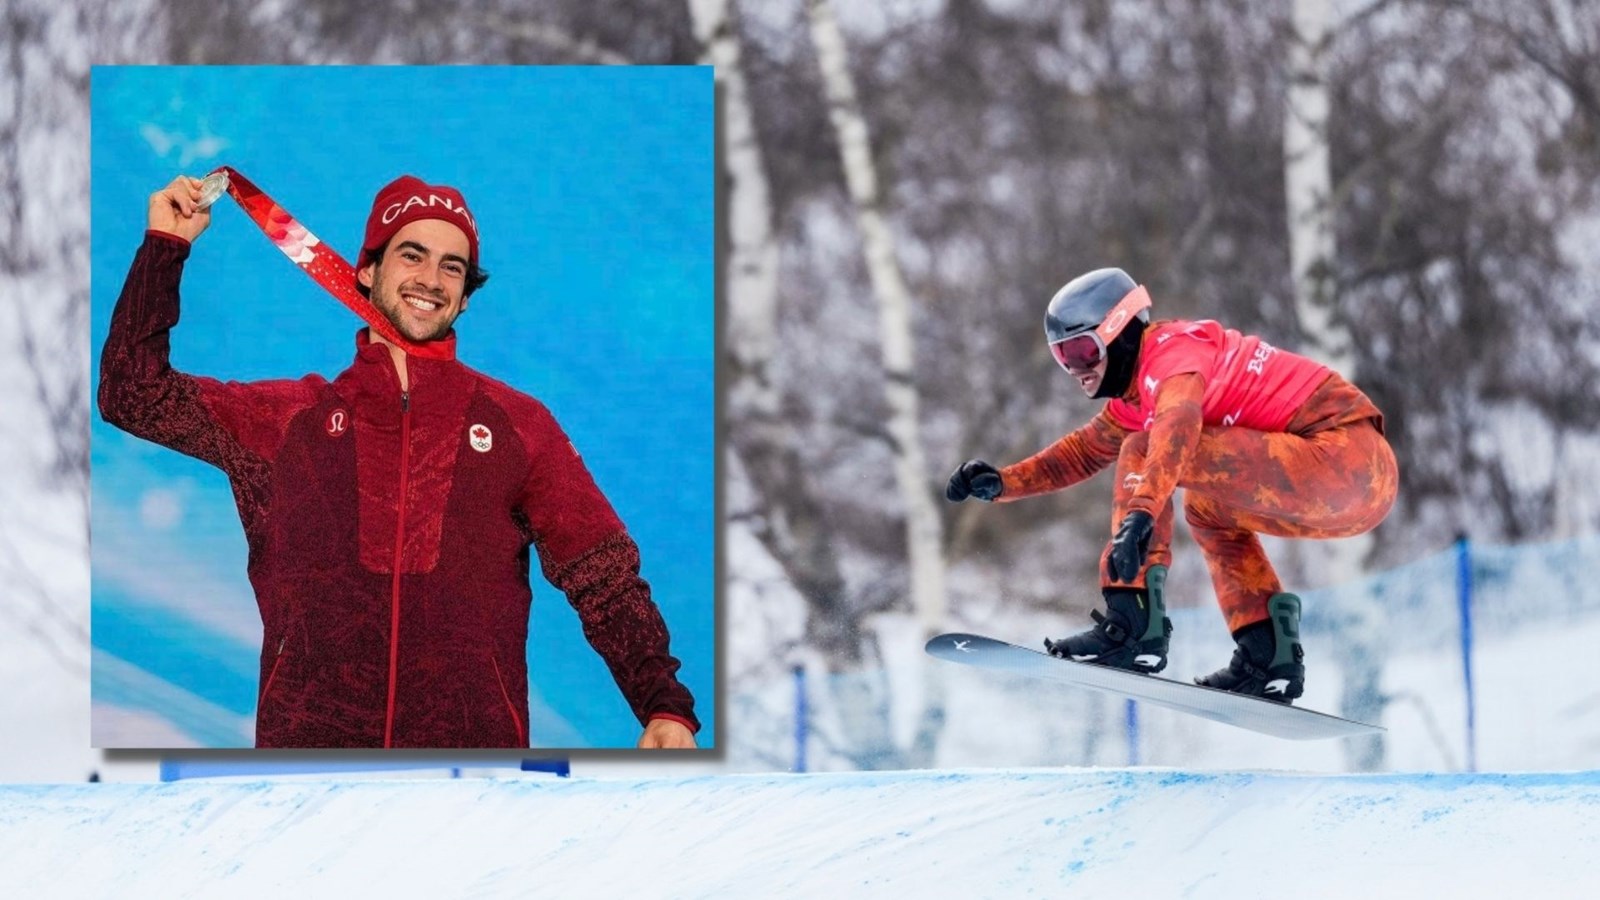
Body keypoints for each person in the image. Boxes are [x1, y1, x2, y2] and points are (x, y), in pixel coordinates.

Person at [99, 174, 700, 748]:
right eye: (412, 255)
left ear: (466, 297)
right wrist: (165, 247)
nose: (431, 279)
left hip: (473, 783)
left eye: (452, 267)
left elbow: (604, 576)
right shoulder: (287, 422)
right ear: (366, 271)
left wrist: (663, 705)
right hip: (309, 777)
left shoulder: (519, 427)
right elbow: (132, 395)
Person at [945, 267, 1397, 703]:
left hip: (1345, 456)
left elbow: (1177, 425)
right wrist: (1003, 482)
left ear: (1119, 331)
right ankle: (1268, 654)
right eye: (1062, 356)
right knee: (1205, 509)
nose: (1076, 369)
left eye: (1082, 351)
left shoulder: (1173, 354)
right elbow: (1082, 453)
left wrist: (1141, 512)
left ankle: (1133, 623)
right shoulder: (1136, 397)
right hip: (1358, 493)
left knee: (1144, 447)